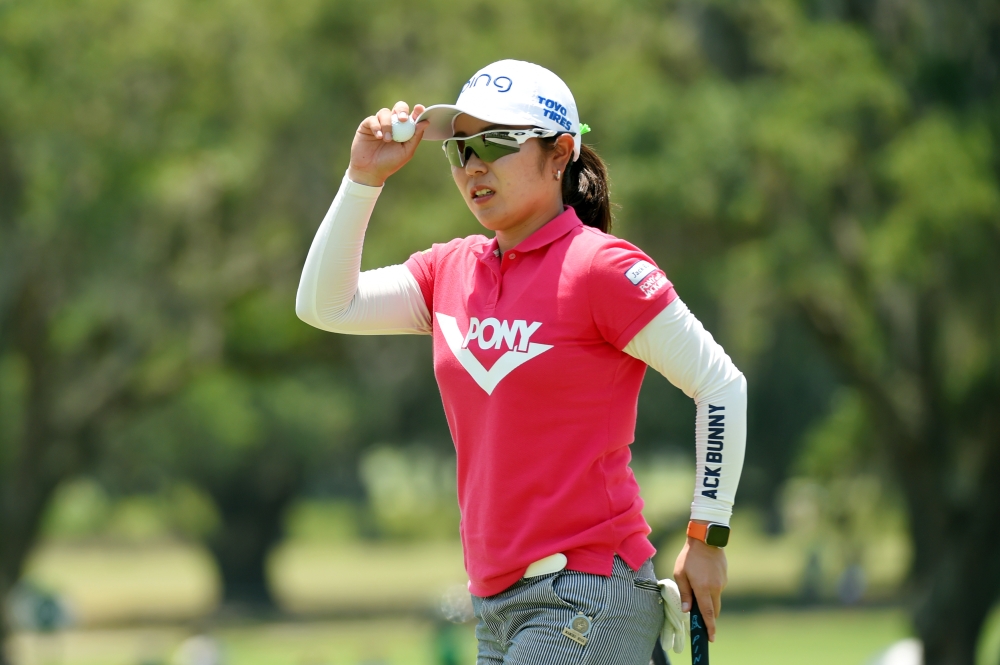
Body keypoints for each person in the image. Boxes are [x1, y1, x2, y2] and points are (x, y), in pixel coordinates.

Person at [296, 59, 747, 665]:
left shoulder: (601, 268)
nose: (473, 165)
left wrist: (708, 536)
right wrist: (362, 178)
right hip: (494, 603)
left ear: (561, 153)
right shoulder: (448, 271)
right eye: (459, 149)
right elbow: (325, 304)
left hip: (587, 592)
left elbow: (721, 385)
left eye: (496, 143)